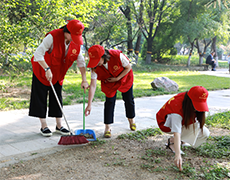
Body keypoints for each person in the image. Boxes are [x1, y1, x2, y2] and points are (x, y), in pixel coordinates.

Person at [29, 19, 89, 137]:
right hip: (42, 69)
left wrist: (84, 79)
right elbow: (38, 54)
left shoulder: (75, 43)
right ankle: (44, 126)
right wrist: (47, 69)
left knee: (57, 97)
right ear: (67, 32)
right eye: (74, 36)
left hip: (58, 73)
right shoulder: (53, 36)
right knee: (40, 96)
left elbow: (81, 62)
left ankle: (59, 125)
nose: (75, 40)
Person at [85, 45, 136, 138]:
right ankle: (107, 127)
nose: (96, 63)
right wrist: (89, 105)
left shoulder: (117, 56)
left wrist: (117, 78)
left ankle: (131, 120)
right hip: (108, 81)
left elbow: (128, 67)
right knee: (109, 102)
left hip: (124, 77)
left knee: (128, 99)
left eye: (97, 60)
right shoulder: (95, 67)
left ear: (103, 56)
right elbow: (92, 86)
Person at [156, 86, 210, 171]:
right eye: (197, 104)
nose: (199, 109)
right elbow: (176, 133)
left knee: (205, 133)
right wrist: (178, 155)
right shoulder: (176, 109)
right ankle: (172, 142)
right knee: (193, 130)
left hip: (182, 122)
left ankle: (178, 141)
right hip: (166, 125)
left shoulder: (187, 98)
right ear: (190, 100)